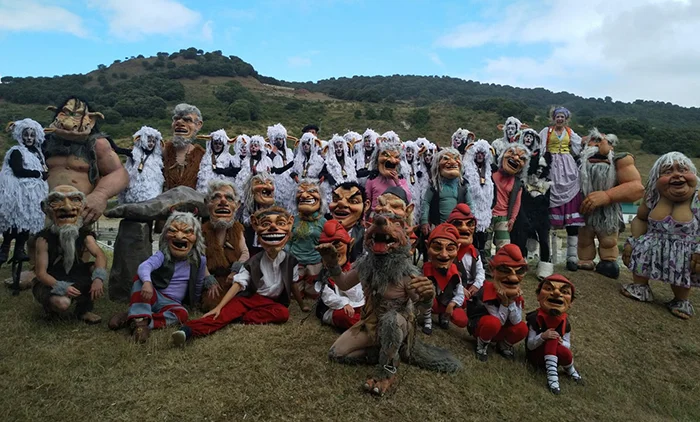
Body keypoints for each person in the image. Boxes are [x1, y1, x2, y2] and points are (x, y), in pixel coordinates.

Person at [316, 211, 461, 396]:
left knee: (391, 320)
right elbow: (343, 283)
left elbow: (421, 308)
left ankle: (387, 370)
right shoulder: (366, 265)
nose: (379, 222)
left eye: (396, 223)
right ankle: (383, 351)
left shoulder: (406, 273)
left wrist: (427, 297)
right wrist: (332, 264)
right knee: (337, 354)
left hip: (398, 324)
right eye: (376, 222)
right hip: (371, 323)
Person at [171, 206, 297, 345]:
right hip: (249, 299)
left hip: (270, 303)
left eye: (280, 223)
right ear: (256, 226)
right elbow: (238, 284)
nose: (273, 228)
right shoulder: (254, 261)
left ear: (290, 224)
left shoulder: (290, 261)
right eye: (266, 224)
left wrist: (302, 305)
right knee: (221, 315)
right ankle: (188, 330)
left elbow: (293, 283)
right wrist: (219, 307)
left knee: (283, 314)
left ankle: (240, 317)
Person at [108, 211, 212, 342]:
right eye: (173, 230)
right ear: (165, 235)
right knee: (139, 280)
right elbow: (145, 266)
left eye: (187, 232)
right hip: (152, 295)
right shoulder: (162, 255)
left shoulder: (200, 260)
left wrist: (195, 302)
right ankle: (140, 324)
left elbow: (198, 282)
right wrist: (147, 282)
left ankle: (139, 319)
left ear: (196, 237)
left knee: (182, 314)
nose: (179, 236)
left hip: (172, 303)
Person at [622, 152, 700, 319]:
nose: (677, 175)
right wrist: (634, 241)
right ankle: (641, 287)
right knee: (641, 256)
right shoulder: (653, 196)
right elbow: (641, 218)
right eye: (668, 171)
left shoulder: (697, 198)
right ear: (656, 179)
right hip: (652, 245)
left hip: (684, 251)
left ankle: (680, 300)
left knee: (682, 274)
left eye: (683, 170)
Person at [43, 96, 128, 224]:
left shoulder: (98, 145)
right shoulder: (43, 142)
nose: (69, 120)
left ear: (91, 119)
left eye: (77, 115)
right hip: (46, 213)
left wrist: (100, 195)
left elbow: (118, 172)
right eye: (65, 113)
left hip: (81, 214)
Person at [32, 186, 106, 324]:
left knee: (95, 269)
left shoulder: (84, 235)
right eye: (57, 200)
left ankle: (83, 309)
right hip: (51, 279)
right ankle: (51, 308)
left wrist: (98, 278)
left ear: (82, 207)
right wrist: (61, 286)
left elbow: (99, 255)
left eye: (75, 200)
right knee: (63, 303)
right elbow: (41, 273)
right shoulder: (43, 240)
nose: (67, 207)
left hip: (76, 274)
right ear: (47, 209)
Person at [577, 128, 643, 279]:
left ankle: (608, 261)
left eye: (604, 141)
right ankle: (585, 261)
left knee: (608, 240)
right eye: (594, 141)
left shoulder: (620, 161)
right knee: (584, 238)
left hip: (608, 210)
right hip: (583, 208)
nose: (599, 145)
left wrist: (607, 196)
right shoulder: (577, 160)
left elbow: (636, 188)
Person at [539, 107, 584, 271]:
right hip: (551, 166)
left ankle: (572, 256)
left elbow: (580, 146)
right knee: (548, 209)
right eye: (557, 116)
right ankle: (547, 256)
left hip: (568, 167)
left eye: (562, 117)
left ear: (566, 119)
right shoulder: (547, 131)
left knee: (572, 206)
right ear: (553, 118)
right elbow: (540, 147)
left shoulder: (570, 133)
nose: (559, 119)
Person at [467, 244, 529, 361]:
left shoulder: (516, 294)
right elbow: (498, 321)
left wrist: (511, 302)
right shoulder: (487, 291)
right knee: (493, 323)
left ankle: (504, 345)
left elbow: (516, 321)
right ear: (492, 270)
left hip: (502, 329)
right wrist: (505, 303)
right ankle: (481, 345)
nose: (513, 278)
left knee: (522, 328)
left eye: (519, 271)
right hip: (483, 327)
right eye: (505, 271)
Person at [0, 119, 48, 265]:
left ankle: (19, 250)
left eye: (32, 135)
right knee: (14, 222)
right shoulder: (16, 151)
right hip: (18, 195)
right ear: (20, 135)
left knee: (27, 223)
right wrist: (38, 174)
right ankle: (4, 250)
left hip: (32, 197)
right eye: (26, 135)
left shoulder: (37, 154)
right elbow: (18, 170)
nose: (29, 138)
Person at [526, 274, 583, 394]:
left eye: (565, 292)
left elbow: (568, 345)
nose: (556, 293)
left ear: (571, 302)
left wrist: (561, 342)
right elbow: (530, 345)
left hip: (554, 356)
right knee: (552, 337)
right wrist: (542, 336)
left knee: (560, 345)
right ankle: (552, 378)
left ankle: (570, 370)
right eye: (548, 289)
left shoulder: (565, 322)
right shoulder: (534, 318)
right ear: (538, 295)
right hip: (536, 356)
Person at [200, 180, 249, 312]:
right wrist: (208, 278)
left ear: (237, 205)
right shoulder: (202, 231)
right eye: (216, 197)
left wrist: (236, 269)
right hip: (214, 278)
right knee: (211, 302)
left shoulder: (237, 229)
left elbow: (245, 252)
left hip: (233, 278)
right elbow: (199, 258)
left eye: (229, 198)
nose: (223, 202)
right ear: (207, 203)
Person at [510, 129, 553, 279]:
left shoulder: (547, 184)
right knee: (521, 237)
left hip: (542, 217)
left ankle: (545, 265)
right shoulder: (524, 182)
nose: (540, 170)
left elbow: (547, 203)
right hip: (525, 214)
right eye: (538, 168)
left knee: (544, 240)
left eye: (542, 168)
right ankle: (521, 261)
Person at [314, 220, 365, 330]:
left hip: (358, 304)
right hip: (336, 308)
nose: (333, 252)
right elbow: (328, 296)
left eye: (338, 246)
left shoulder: (355, 267)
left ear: (350, 245)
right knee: (344, 316)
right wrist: (344, 303)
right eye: (327, 249)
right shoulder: (324, 274)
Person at [288, 179, 327, 311]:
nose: (304, 195)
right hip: (296, 260)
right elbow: (288, 240)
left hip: (315, 261)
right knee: (294, 293)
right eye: (301, 192)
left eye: (311, 191)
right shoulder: (293, 220)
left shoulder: (323, 221)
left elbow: (325, 242)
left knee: (313, 293)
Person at [421, 223, 466, 335]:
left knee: (461, 318)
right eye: (437, 248)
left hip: (446, 301)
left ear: (457, 249)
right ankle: (427, 321)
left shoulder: (454, 273)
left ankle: (444, 317)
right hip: (432, 302)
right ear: (427, 247)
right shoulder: (426, 270)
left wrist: (452, 304)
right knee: (426, 294)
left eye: (450, 249)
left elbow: (460, 293)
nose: (444, 254)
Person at [421, 148, 470, 235]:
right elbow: (426, 202)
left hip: (458, 227)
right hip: (438, 226)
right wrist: (424, 221)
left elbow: (470, 203)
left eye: (456, 158)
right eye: (446, 158)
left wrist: (471, 220)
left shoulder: (463, 185)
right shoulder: (434, 184)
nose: (452, 162)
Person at [491, 144, 530, 251]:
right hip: (488, 215)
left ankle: (501, 261)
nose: (516, 158)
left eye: (521, 158)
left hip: (503, 217)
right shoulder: (491, 174)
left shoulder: (517, 184)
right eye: (511, 153)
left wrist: (512, 219)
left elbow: (517, 203)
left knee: (504, 246)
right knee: (485, 244)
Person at [462, 139, 494, 262]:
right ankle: (471, 262)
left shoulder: (489, 171)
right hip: (472, 210)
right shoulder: (467, 170)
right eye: (478, 153)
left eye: (482, 153)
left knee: (482, 239)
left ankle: (481, 261)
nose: (480, 156)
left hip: (484, 211)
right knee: (471, 237)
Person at [163, 103, 206, 191]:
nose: (179, 122)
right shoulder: (160, 151)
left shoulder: (203, 157)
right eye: (176, 119)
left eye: (187, 120)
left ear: (198, 125)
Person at [364, 138, 411, 214]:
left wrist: (397, 183)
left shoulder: (401, 180)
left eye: (396, 157)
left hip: (394, 217)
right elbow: (367, 202)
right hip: (376, 217)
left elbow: (408, 199)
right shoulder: (372, 180)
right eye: (386, 155)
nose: (392, 160)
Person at [119, 126, 164, 204]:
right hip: (136, 190)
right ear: (142, 140)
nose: (151, 144)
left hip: (153, 191)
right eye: (149, 141)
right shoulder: (135, 154)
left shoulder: (157, 158)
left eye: (153, 142)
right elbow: (118, 149)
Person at [328, 181, 370, 263]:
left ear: (366, 206)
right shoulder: (320, 230)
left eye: (353, 201)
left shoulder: (366, 236)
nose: (341, 204)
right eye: (335, 200)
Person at [196, 129, 235, 193]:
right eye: (215, 143)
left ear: (223, 145)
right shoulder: (205, 157)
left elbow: (233, 172)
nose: (218, 146)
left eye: (220, 144)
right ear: (211, 144)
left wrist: (221, 171)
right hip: (203, 190)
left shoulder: (229, 158)